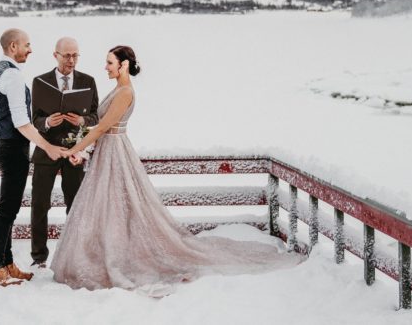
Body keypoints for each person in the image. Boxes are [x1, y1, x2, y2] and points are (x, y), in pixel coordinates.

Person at [51, 45, 302, 293]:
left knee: (118, 205)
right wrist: (83, 150)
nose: (105, 67)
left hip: (115, 152)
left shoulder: (125, 91)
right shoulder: (117, 88)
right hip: (105, 152)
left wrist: (74, 150)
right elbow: (96, 125)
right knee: (106, 206)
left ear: (123, 65)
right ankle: (104, 252)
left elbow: (103, 126)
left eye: (109, 62)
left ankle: (118, 258)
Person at [0, 28, 68, 286]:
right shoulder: (11, 75)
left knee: (9, 207)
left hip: (5, 145)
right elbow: (21, 122)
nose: (30, 50)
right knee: (7, 209)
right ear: (13, 46)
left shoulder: (2, 70)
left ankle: (6, 262)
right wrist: (48, 147)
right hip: (13, 148)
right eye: (27, 45)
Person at [29, 37, 100, 267]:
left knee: (75, 205)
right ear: (55, 55)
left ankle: (74, 255)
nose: (71, 60)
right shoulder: (40, 82)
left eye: (75, 55)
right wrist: (48, 121)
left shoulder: (88, 81)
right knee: (40, 204)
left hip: (74, 152)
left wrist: (82, 120)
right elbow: (34, 119)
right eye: (67, 55)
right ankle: (38, 258)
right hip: (47, 151)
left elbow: (95, 117)